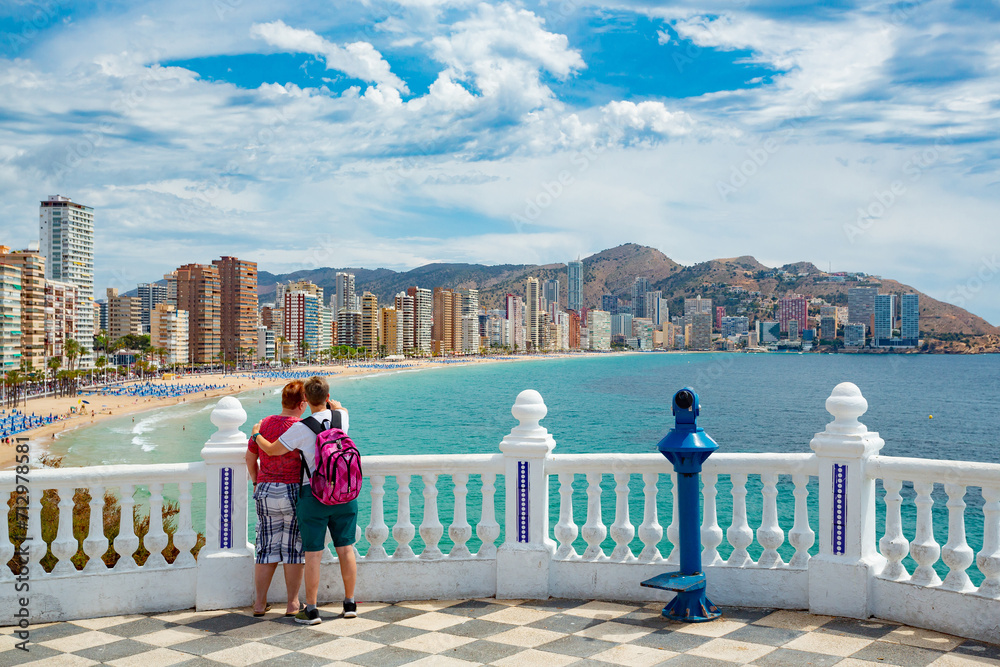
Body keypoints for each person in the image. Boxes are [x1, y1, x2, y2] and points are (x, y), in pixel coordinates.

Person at [251, 375, 356, 625]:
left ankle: (311, 609)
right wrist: (333, 405)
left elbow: (272, 449)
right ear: (328, 397)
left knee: (313, 554)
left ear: (305, 399)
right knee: (346, 549)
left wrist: (256, 436)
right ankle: (350, 603)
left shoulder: (301, 427)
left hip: (314, 496)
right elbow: (340, 408)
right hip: (344, 492)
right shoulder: (343, 417)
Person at [245, 380, 309, 617]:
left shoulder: (264, 425)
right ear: (302, 404)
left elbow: (250, 459)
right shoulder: (302, 426)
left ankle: (260, 604)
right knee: (293, 549)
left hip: (265, 489)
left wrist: (256, 481)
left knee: (265, 548)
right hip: (292, 489)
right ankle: (292, 604)